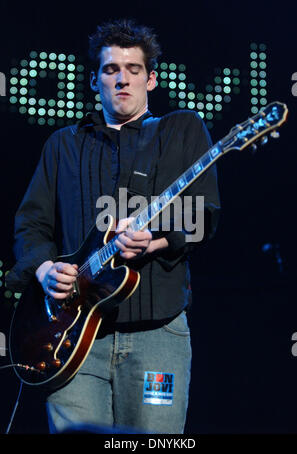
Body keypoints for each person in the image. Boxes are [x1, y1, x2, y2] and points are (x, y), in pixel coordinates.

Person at [6, 18, 220, 434]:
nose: (122, 79)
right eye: (111, 69)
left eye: (133, 70)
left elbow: (206, 215)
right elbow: (30, 225)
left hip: (157, 333)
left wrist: (156, 240)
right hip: (70, 336)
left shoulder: (182, 130)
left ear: (151, 79)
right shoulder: (63, 144)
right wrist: (45, 269)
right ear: (93, 80)